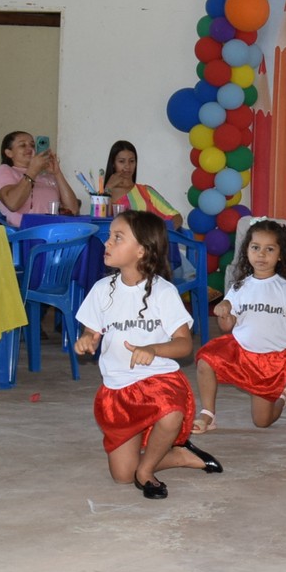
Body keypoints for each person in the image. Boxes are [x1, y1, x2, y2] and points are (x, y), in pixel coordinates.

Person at [75, 210, 221, 499]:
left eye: (118, 238)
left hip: (157, 380)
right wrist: (86, 341)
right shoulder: (101, 290)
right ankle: (177, 456)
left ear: (141, 250)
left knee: (170, 415)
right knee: (121, 476)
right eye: (109, 237)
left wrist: (153, 350)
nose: (107, 243)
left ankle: (148, 470)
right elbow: (90, 332)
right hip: (118, 388)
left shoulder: (163, 292)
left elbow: (184, 344)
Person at [193, 218, 286, 430]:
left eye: (269, 249)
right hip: (240, 351)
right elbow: (227, 327)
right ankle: (208, 414)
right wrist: (224, 314)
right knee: (205, 361)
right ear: (247, 251)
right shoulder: (239, 287)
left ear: (280, 255)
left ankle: (280, 397)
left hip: (270, 361)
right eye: (256, 247)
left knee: (262, 422)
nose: (261, 254)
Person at [0, 130, 79, 228]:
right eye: (23, 145)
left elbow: (73, 210)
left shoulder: (47, 176)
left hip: (52, 230)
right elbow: (12, 204)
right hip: (24, 234)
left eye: (33, 145)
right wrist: (32, 171)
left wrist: (57, 173)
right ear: (9, 153)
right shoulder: (5, 170)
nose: (30, 149)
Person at [102, 139, 181, 222]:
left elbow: (176, 216)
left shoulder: (146, 191)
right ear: (113, 164)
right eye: (122, 161)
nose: (127, 166)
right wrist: (108, 187)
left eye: (131, 161)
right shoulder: (106, 194)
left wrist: (160, 232)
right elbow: (101, 222)